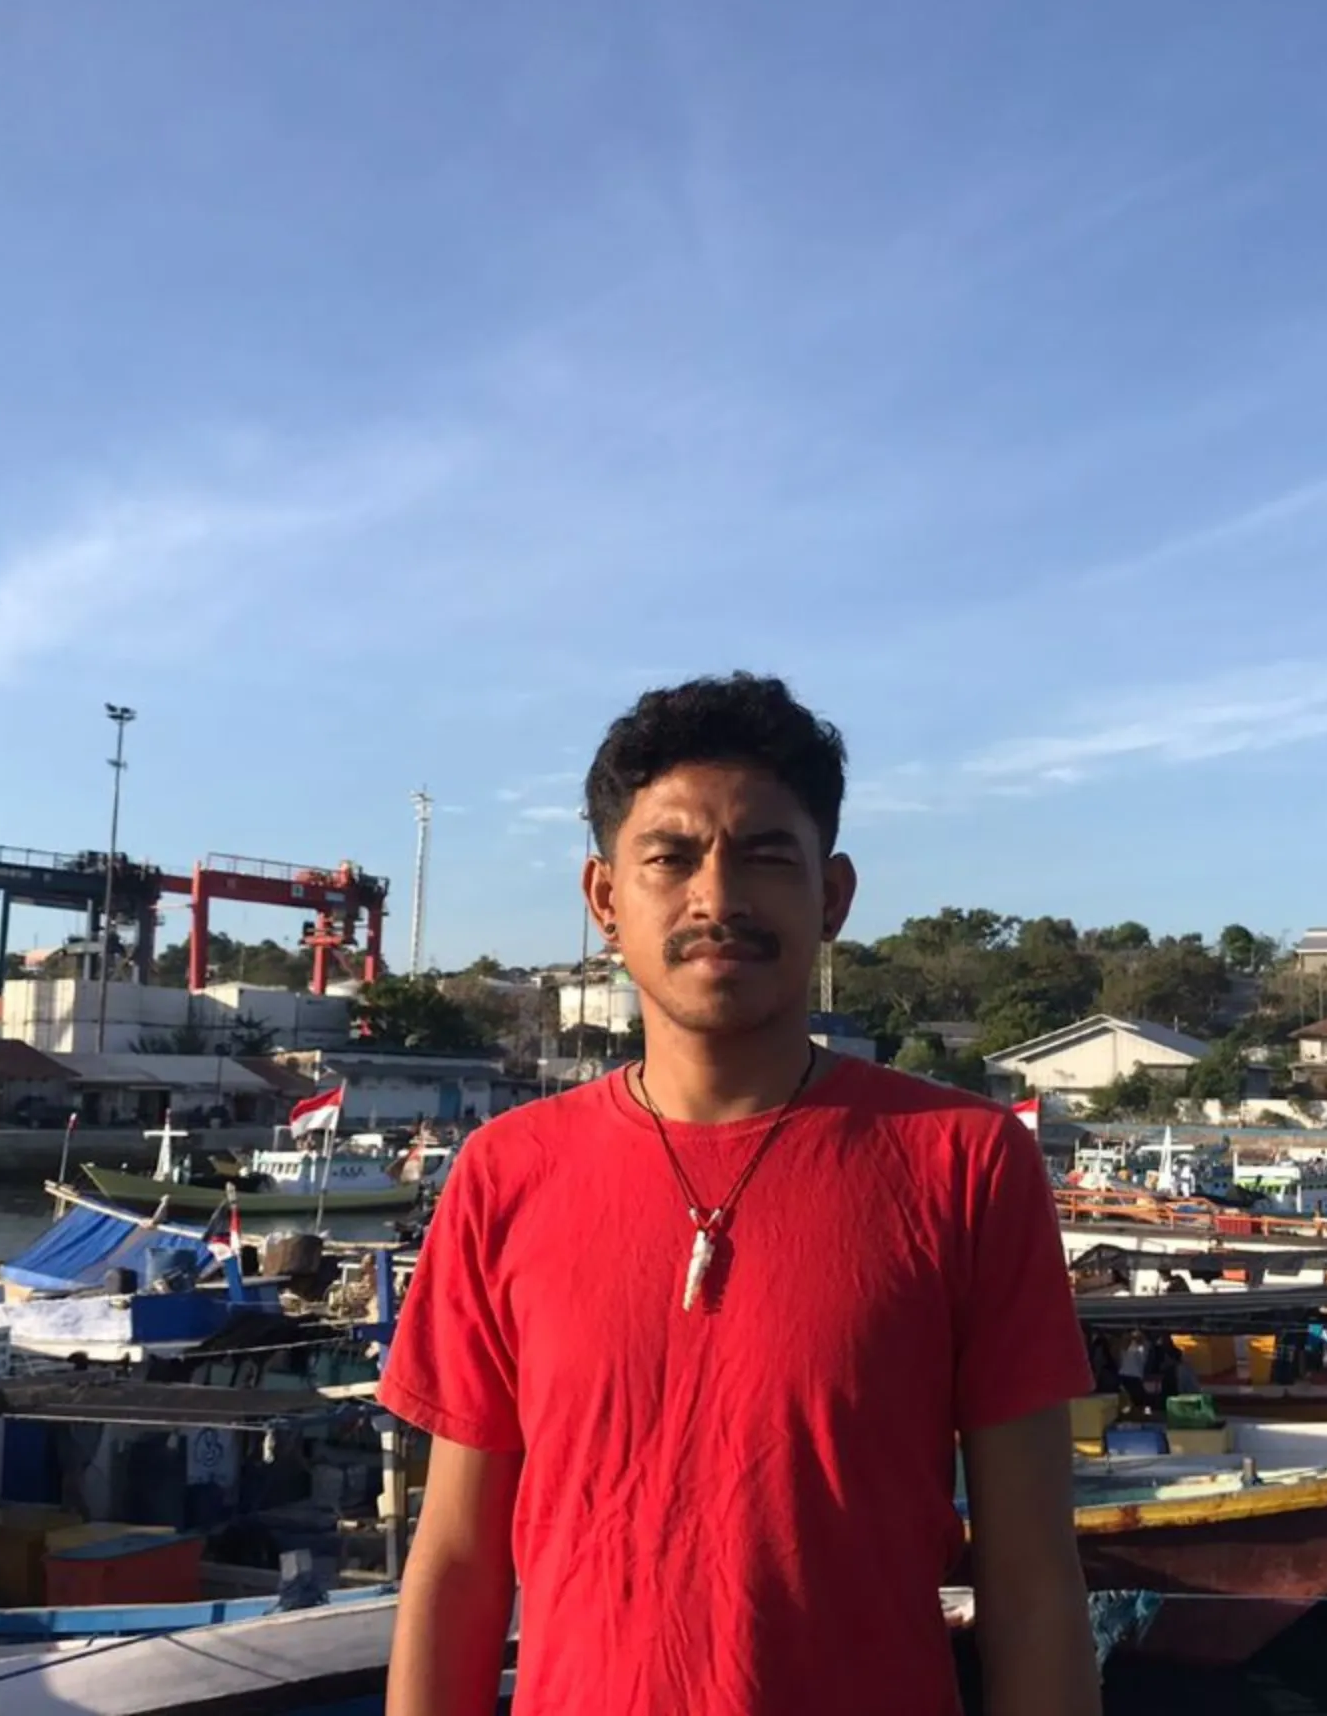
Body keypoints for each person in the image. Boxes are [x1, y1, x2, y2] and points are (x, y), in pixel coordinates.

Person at [380, 673, 1097, 1716]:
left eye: (766, 856)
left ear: (834, 895)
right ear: (604, 899)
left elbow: (1032, 1579)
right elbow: (454, 1566)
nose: (717, 898)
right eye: (669, 858)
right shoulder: (504, 1173)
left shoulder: (967, 1164)